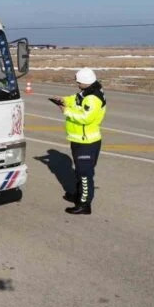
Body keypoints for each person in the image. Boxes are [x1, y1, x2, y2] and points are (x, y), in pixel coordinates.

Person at [50, 68, 107, 215]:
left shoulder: (93, 98)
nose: (76, 83)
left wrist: (66, 111)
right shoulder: (85, 92)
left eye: (78, 81)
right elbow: (74, 99)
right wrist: (63, 100)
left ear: (85, 81)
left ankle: (84, 204)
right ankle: (78, 195)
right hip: (78, 139)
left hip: (87, 141)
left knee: (84, 173)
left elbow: (86, 118)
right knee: (80, 171)